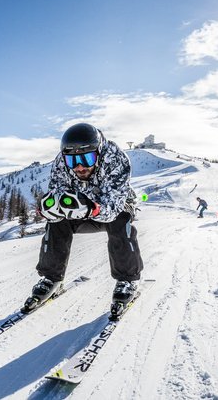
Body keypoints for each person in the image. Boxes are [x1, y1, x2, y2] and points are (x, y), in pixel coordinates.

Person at [24, 123, 143, 319]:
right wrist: (50, 209)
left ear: (99, 151)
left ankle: (128, 279)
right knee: (56, 220)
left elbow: (113, 205)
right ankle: (51, 277)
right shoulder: (61, 163)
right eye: (73, 161)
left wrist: (92, 208)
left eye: (87, 158)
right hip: (80, 208)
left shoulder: (116, 159)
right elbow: (58, 193)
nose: (79, 166)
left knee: (121, 219)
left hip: (111, 207)